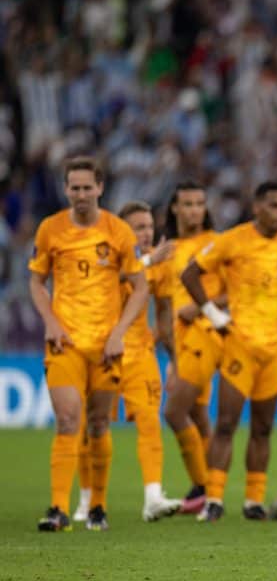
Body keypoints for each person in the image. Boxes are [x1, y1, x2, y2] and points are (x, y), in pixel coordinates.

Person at [29, 157, 150, 532]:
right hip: (65, 343)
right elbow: (36, 281)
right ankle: (58, 509)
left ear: (100, 188)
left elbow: (141, 286)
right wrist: (50, 322)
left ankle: (97, 505)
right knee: (68, 420)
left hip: (105, 346)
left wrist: (118, 333)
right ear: (66, 190)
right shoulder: (50, 229)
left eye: (87, 187)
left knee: (98, 424)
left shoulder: (118, 232)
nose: (80, 194)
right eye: (74, 187)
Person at [181, 181, 277, 523]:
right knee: (226, 424)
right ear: (257, 207)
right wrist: (212, 313)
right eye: (274, 205)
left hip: (274, 348)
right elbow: (189, 273)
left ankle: (253, 501)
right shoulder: (232, 241)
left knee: (263, 428)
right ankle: (214, 499)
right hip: (240, 345)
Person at [72, 202, 181, 523]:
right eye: (138, 227)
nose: (146, 233)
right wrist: (146, 260)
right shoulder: (105, 256)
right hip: (99, 352)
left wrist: (171, 355)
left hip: (139, 354)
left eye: (149, 226)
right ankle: (86, 499)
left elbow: (163, 310)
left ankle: (153, 496)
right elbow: (105, 280)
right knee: (90, 427)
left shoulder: (161, 265)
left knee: (150, 420)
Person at [150, 181, 226, 514]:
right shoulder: (167, 250)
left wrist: (200, 306)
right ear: (175, 209)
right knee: (196, 413)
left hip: (205, 334)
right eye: (188, 204)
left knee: (173, 411)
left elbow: (236, 290)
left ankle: (204, 486)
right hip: (179, 342)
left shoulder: (215, 244)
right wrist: (167, 349)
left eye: (199, 203)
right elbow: (164, 304)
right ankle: (211, 489)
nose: (194, 209)